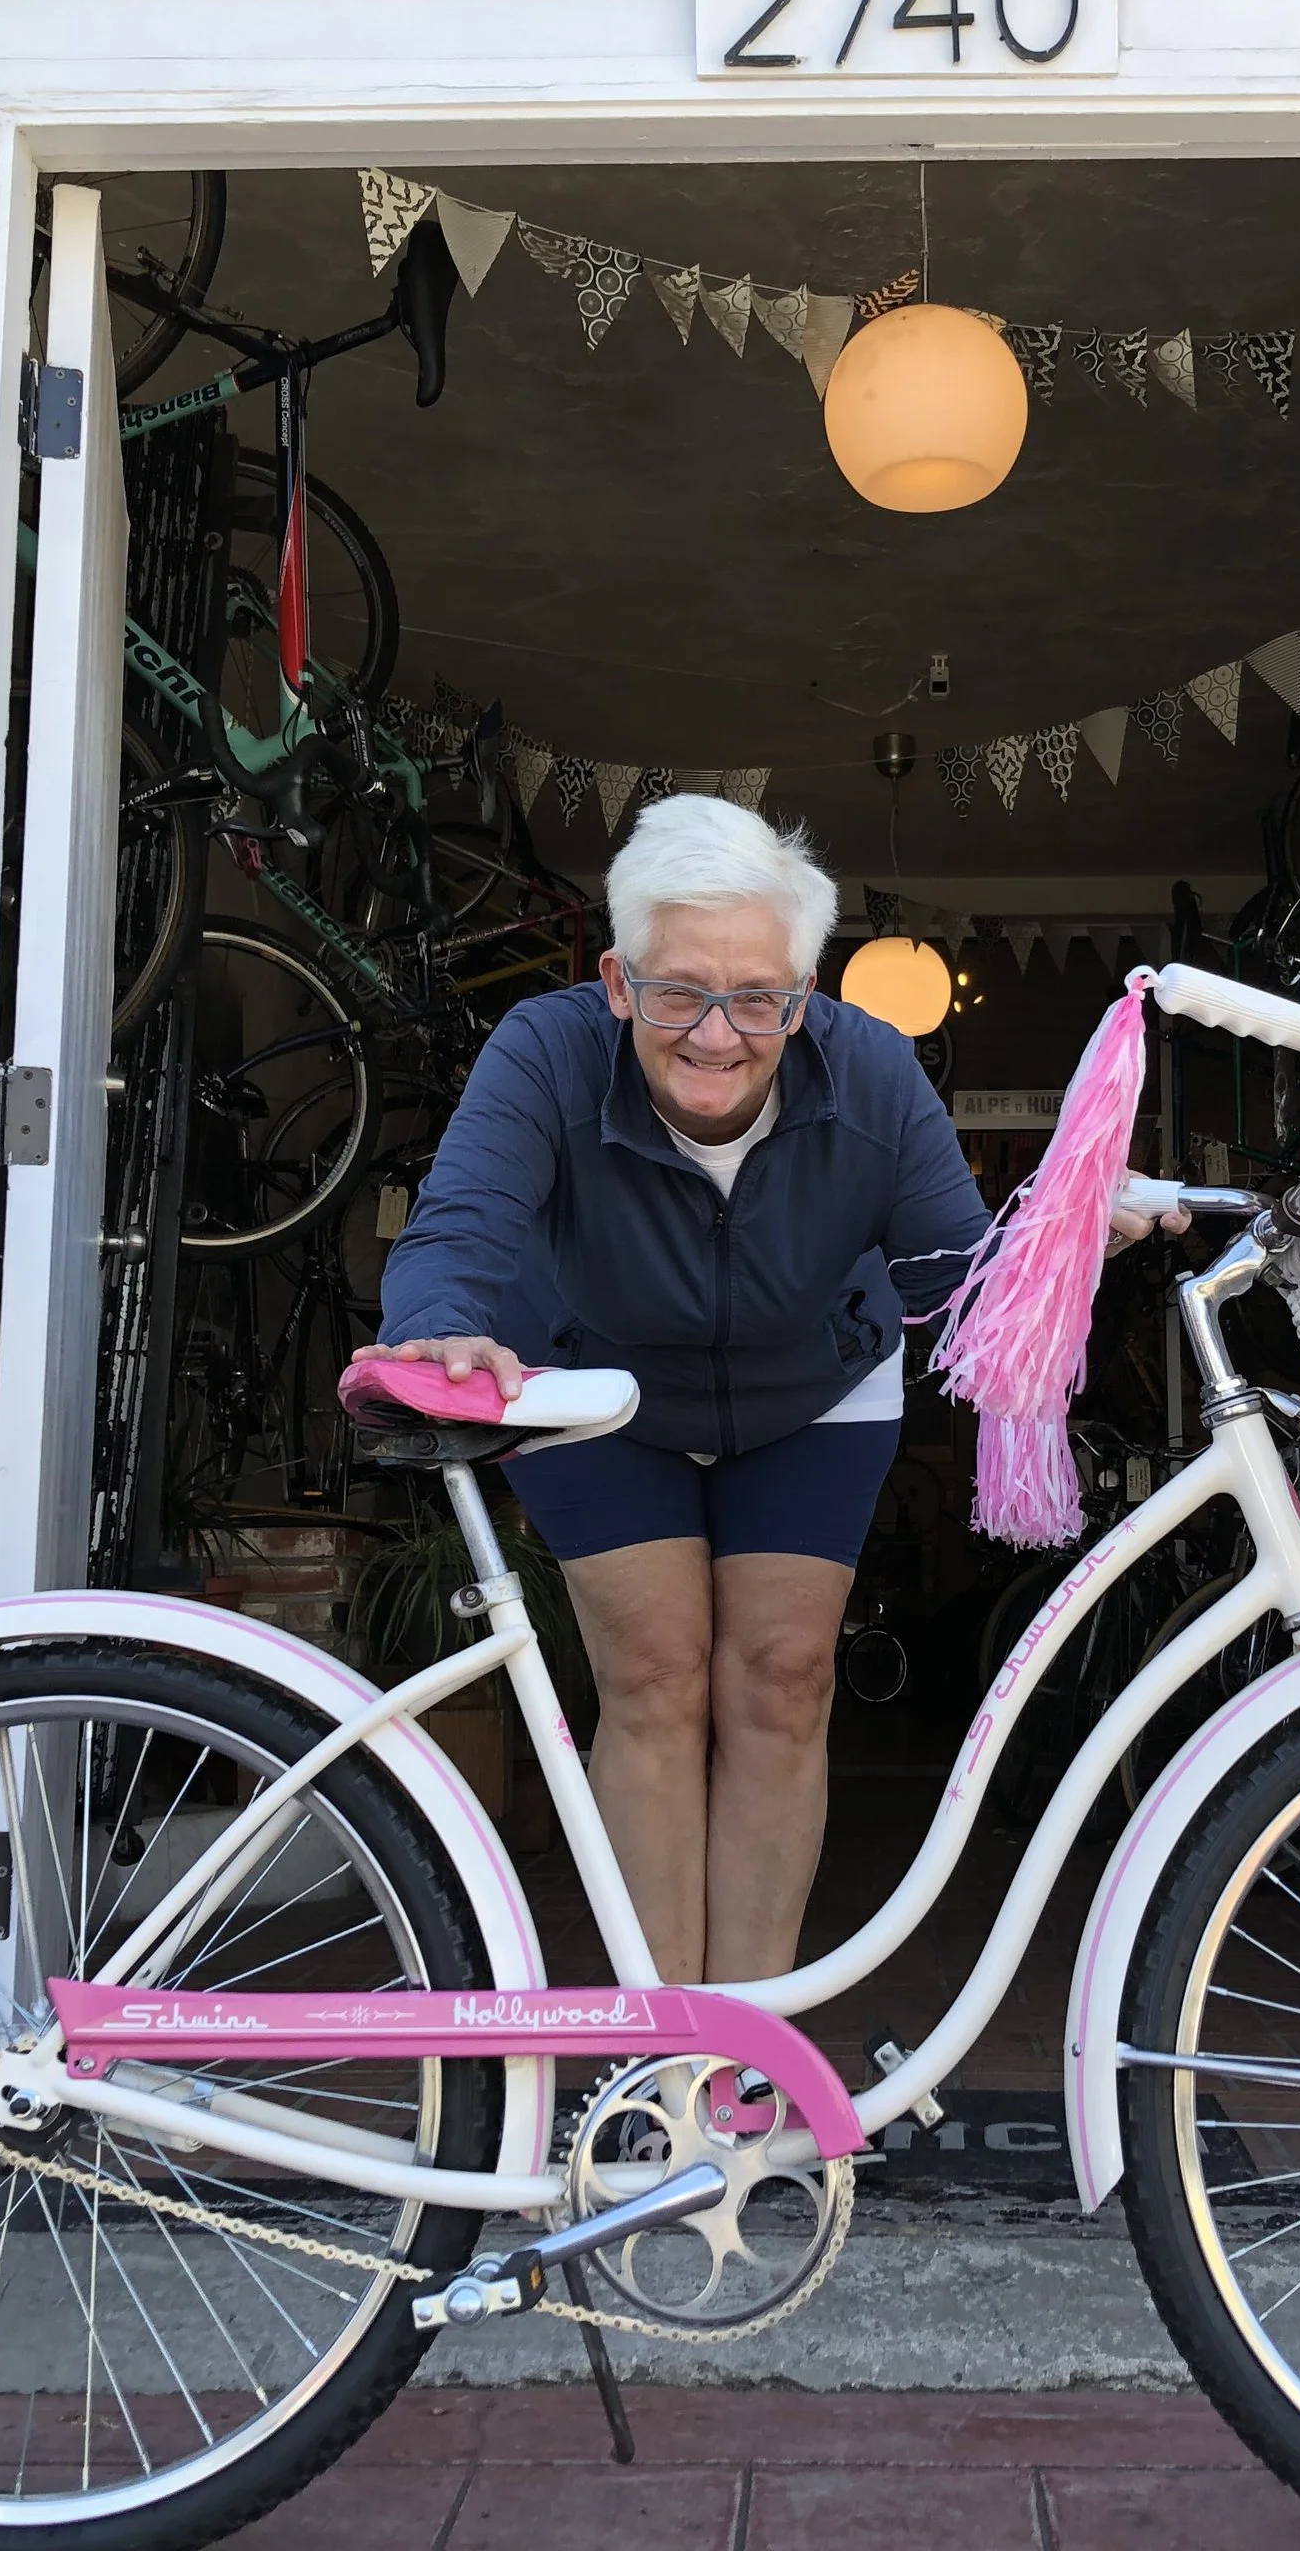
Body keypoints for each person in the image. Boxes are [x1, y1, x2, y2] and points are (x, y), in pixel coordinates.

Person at [366, 794, 1181, 1984]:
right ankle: (662, 2054)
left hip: (815, 1386)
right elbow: (463, 1220)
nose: (715, 1033)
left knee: (783, 1684)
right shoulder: (542, 1052)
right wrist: (440, 1330)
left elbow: (954, 1265)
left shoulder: (871, 1071)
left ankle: (741, 2058)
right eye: (679, 991)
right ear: (616, 979)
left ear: (801, 999)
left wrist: (1066, 1229)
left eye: (756, 999)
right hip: (596, 1379)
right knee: (650, 1678)